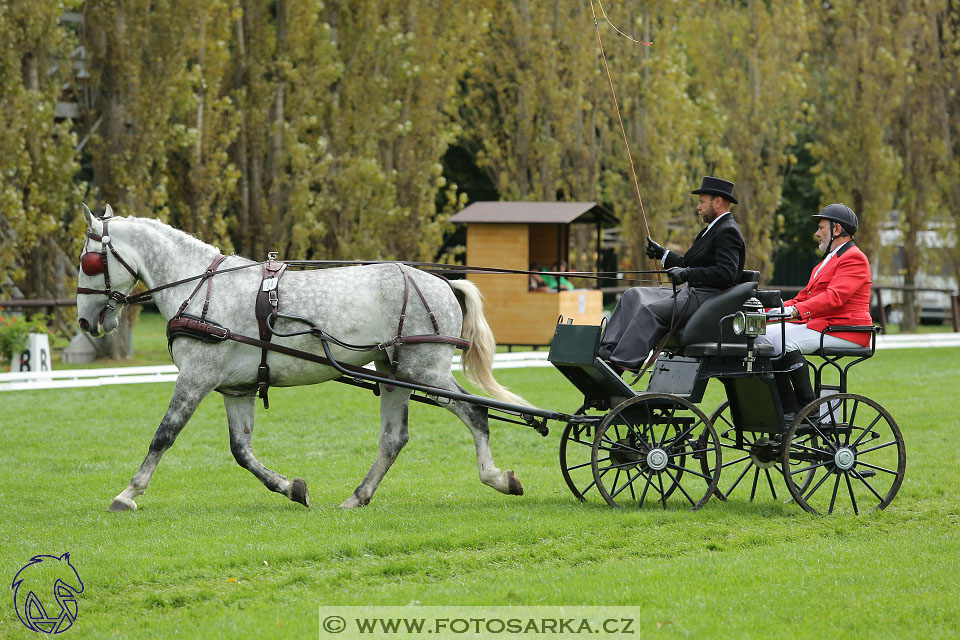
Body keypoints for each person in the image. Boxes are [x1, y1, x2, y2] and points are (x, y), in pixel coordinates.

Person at [597, 176, 746, 370]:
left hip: (707, 299)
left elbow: (726, 273)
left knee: (650, 312)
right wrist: (662, 254)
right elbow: (689, 262)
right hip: (691, 293)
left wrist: (687, 274)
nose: (698, 207)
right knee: (633, 295)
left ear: (718, 202)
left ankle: (619, 365)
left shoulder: (728, 231)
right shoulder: (711, 230)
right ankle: (607, 349)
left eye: (702, 202)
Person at [756, 203, 872, 419]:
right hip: (824, 325)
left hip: (846, 330)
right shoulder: (825, 263)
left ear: (837, 229)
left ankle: (808, 408)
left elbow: (834, 298)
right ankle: (786, 406)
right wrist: (769, 312)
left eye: (821, 228)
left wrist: (795, 312)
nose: (816, 233)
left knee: (784, 340)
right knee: (763, 337)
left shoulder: (854, 258)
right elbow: (804, 297)